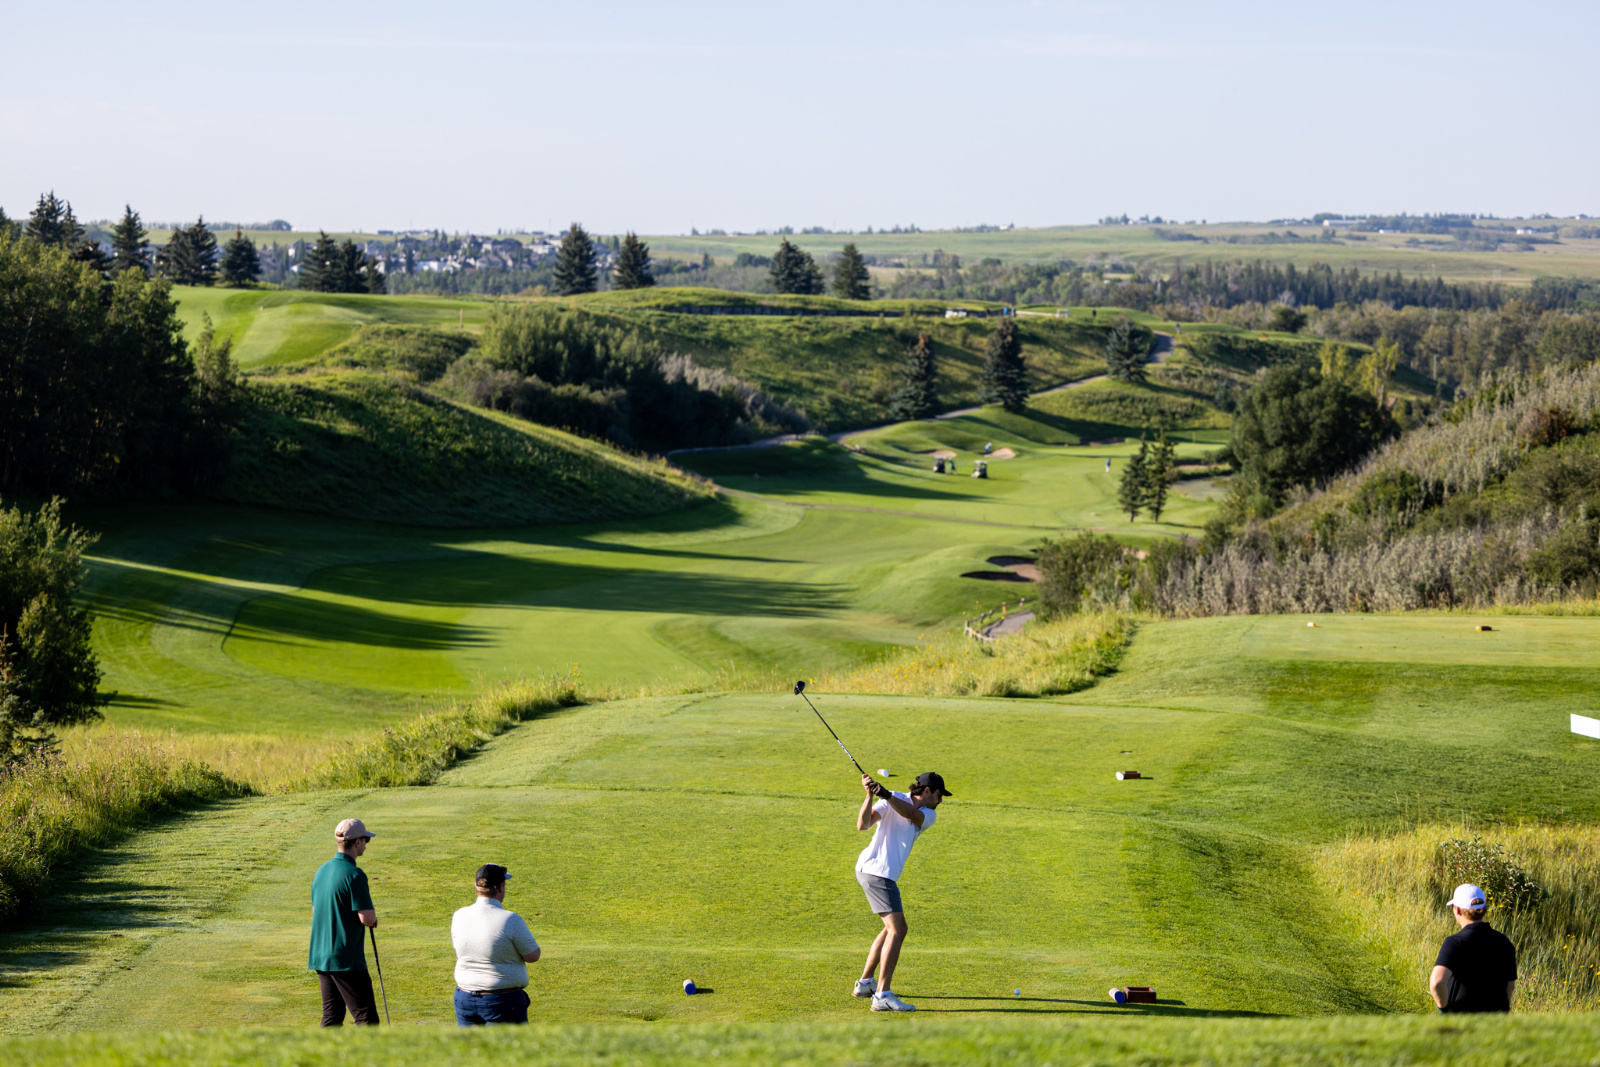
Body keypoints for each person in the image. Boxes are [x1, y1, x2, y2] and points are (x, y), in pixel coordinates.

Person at [852, 770, 952, 1012]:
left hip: (879, 873)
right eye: (939, 795)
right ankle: (882, 995)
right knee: (898, 929)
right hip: (877, 872)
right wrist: (869, 796)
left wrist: (886, 794)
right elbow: (863, 825)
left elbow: (911, 813)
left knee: (891, 929)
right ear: (927, 791)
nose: (941, 801)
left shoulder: (928, 814)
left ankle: (865, 983)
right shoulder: (891, 798)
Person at [308, 818, 380, 1026]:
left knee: (332, 1017)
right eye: (365, 840)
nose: (366, 844)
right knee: (366, 1019)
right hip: (345, 959)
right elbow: (367, 918)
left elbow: (316, 910)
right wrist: (374, 920)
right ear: (357, 842)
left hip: (321, 955)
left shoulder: (321, 871)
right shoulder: (354, 874)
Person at [451, 863, 541, 1025]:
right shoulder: (510, 919)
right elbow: (533, 955)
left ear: (476, 886)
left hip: (464, 998)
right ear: (500, 887)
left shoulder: (459, 915)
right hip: (502, 1001)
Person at [1430, 883, 1517, 1013]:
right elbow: (1510, 986)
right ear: (1484, 909)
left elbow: (1437, 982)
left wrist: (1443, 1009)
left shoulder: (1455, 943)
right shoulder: (1504, 942)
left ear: (1457, 910)